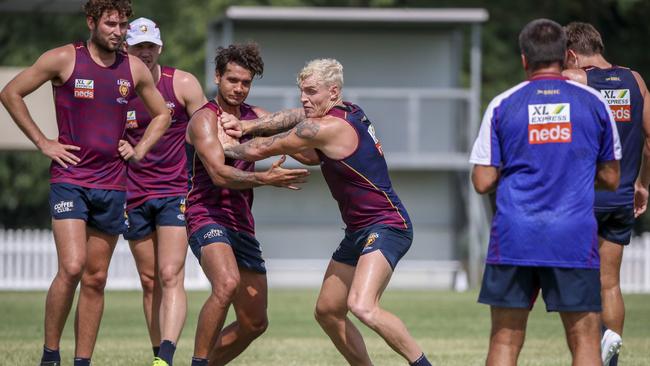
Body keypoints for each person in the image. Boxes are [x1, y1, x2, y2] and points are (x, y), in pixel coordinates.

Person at [221, 58, 432, 366]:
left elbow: (259, 150)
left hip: (387, 225)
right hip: (359, 230)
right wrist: (248, 125)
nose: (304, 99)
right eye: (301, 92)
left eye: (311, 92)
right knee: (328, 312)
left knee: (362, 305)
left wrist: (221, 144)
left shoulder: (327, 125)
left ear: (333, 91)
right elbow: (302, 136)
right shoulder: (347, 110)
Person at [0, 1, 171, 365]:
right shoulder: (64, 58)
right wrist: (44, 142)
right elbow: (10, 92)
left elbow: (163, 115)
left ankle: (82, 361)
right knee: (73, 266)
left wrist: (139, 149)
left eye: (123, 24)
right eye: (111, 23)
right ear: (91, 22)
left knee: (95, 279)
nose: (119, 31)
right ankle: (51, 355)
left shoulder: (134, 67)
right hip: (70, 179)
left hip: (112, 185)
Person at [469, 19, 621, 366]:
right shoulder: (595, 103)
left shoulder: (502, 104)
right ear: (566, 55)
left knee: (505, 341)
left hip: (514, 236)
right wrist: (572, 172)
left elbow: (481, 182)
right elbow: (612, 177)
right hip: (573, 235)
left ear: (525, 59)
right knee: (584, 340)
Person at [185, 43, 310, 366]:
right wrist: (266, 179)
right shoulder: (203, 120)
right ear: (217, 77)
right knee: (226, 284)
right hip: (206, 215)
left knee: (255, 323)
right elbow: (219, 175)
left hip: (242, 223)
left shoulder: (257, 119)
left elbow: (310, 152)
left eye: (246, 82)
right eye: (232, 80)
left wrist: (306, 131)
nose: (239, 88)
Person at [562, 21, 650, 366]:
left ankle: (590, 350)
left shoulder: (576, 79)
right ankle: (609, 355)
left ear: (571, 54)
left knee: (570, 280)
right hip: (621, 197)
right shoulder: (635, 80)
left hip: (583, 197)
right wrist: (642, 184)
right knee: (609, 283)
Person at [122, 17, 207, 366]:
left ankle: (166, 358)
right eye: (138, 46)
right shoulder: (116, 86)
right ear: (125, 48)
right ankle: (158, 354)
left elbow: (209, 130)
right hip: (132, 193)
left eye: (150, 46)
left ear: (160, 48)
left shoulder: (182, 83)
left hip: (175, 191)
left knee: (171, 272)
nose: (145, 52)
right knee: (149, 280)